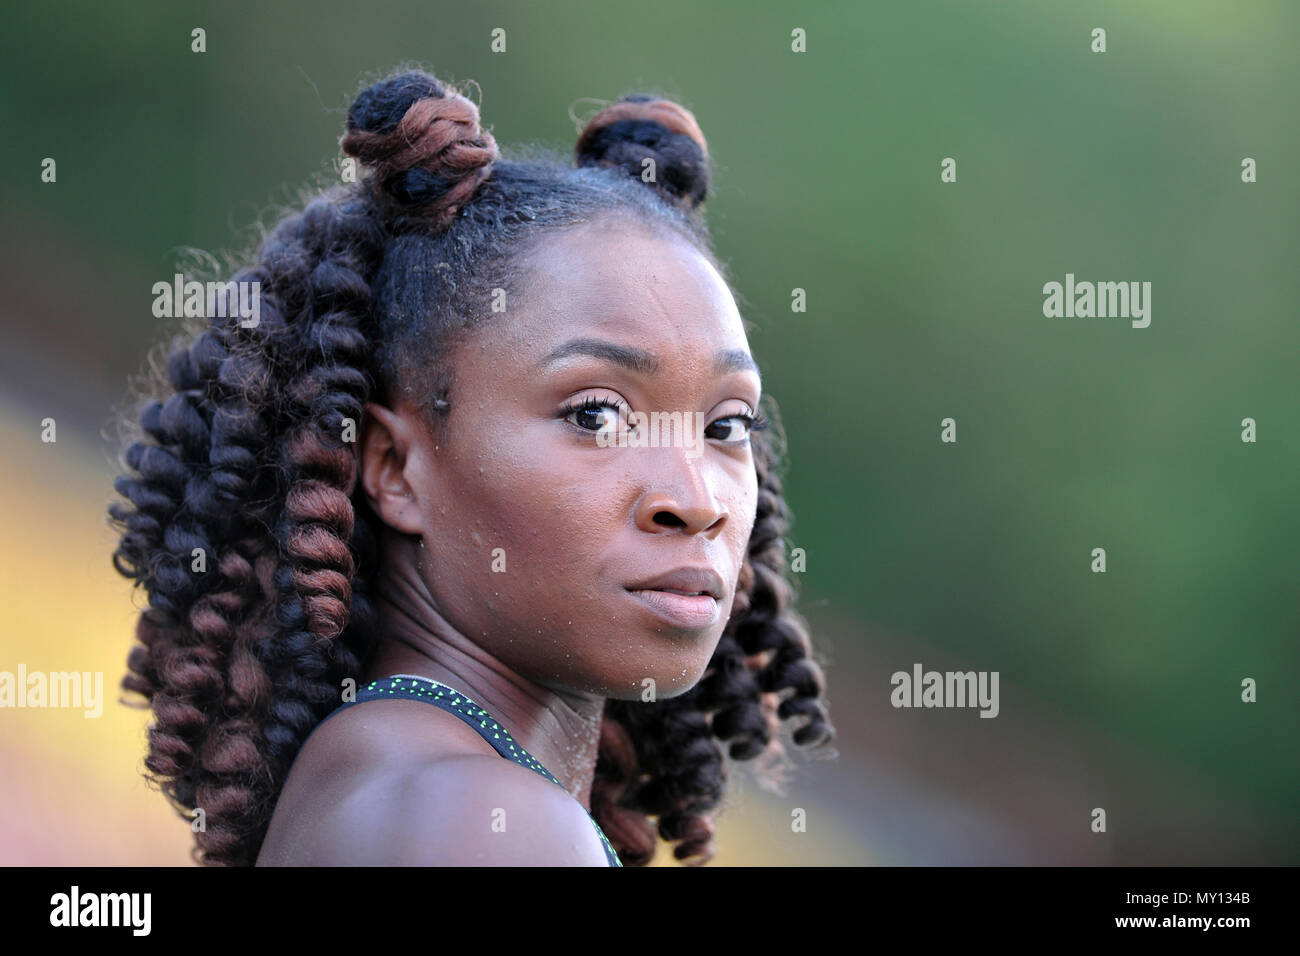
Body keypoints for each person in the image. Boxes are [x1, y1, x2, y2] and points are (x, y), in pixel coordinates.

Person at [109, 67, 835, 866]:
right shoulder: (486, 821)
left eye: (725, 425)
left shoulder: (398, 783)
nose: (695, 500)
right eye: (596, 415)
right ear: (392, 467)